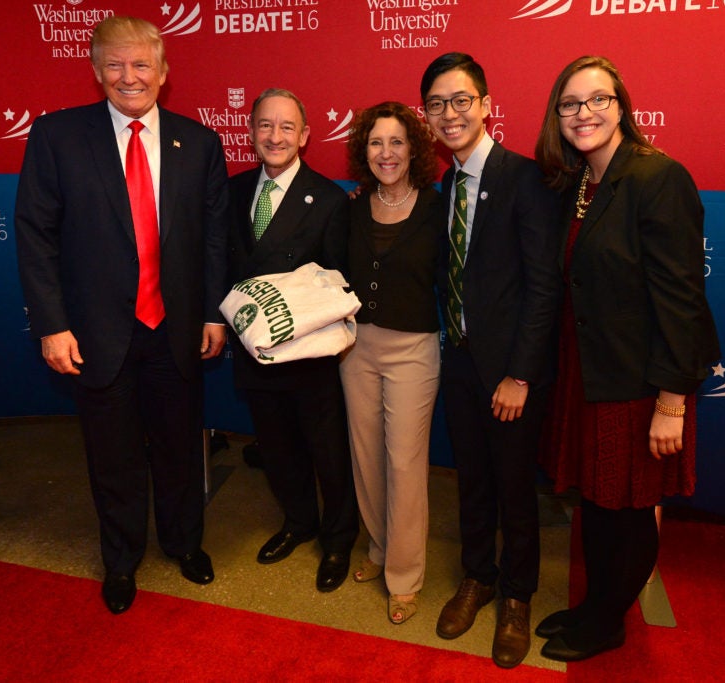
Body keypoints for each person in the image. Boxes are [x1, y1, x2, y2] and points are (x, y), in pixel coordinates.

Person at [14, 16, 229, 614]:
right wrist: (52, 324)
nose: (129, 76)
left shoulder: (200, 143)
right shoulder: (57, 136)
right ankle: (120, 561)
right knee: (112, 457)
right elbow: (35, 235)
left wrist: (214, 314)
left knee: (180, 447)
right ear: (95, 72)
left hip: (176, 330)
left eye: (141, 65)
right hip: (94, 333)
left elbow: (214, 240)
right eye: (115, 64)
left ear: (163, 73)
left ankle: (185, 544)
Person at [533, 55, 721, 661]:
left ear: (622, 107)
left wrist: (672, 401)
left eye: (597, 100)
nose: (583, 113)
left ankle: (608, 620)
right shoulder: (582, 182)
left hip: (642, 382)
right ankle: (596, 604)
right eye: (570, 104)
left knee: (631, 510)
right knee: (598, 503)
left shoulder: (656, 177)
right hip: (589, 372)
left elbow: (683, 297)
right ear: (556, 116)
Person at [420, 53, 562, 668]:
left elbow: (543, 288)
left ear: (485, 104)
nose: (449, 114)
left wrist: (521, 374)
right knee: (471, 481)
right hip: (459, 362)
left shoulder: (527, 179)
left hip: (510, 375)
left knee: (514, 488)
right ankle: (476, 577)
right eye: (437, 104)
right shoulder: (445, 183)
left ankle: (516, 596)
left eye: (460, 101)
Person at [226, 88, 358, 592]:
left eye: (286, 127)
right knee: (277, 447)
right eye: (265, 125)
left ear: (304, 135)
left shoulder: (327, 199)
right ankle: (299, 523)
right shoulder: (235, 190)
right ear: (252, 131)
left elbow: (337, 280)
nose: (274, 136)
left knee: (326, 450)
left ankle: (339, 538)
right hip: (254, 350)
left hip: (308, 351)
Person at [339, 102, 441, 624]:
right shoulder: (352, 207)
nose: (386, 153)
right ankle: (379, 549)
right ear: (364, 151)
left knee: (404, 462)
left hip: (413, 351)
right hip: (356, 348)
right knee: (366, 454)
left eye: (397, 142)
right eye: (376, 143)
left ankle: (404, 575)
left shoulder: (437, 208)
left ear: (414, 149)